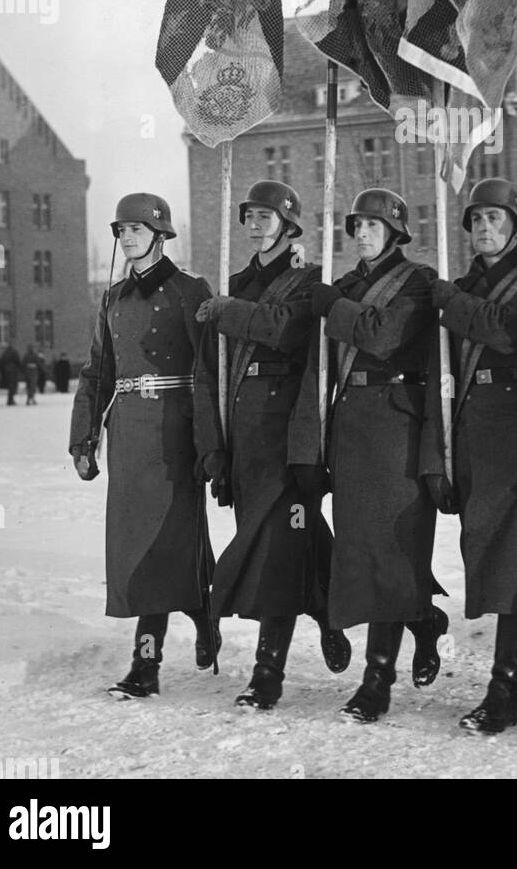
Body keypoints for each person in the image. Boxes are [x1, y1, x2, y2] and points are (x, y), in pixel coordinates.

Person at [420, 178, 517, 735]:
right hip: (476, 433)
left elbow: (505, 332)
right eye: (476, 220)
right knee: (491, 555)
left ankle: (502, 692)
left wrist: (450, 302)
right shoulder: (459, 288)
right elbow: (443, 378)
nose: (485, 228)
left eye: (495, 219)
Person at [291, 188, 446, 724]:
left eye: (373, 226)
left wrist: (331, 305)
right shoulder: (346, 287)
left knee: (393, 550)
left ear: (397, 233)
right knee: (363, 554)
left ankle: (376, 681)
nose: (361, 234)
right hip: (352, 428)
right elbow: (320, 372)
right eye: (356, 225)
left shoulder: (417, 282)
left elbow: (382, 336)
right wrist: (307, 446)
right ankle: (423, 620)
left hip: (399, 427)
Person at [194, 180, 351, 711]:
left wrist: (225, 311)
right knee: (290, 544)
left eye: (266, 216)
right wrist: (215, 448)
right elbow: (211, 374)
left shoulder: (308, 281)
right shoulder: (235, 282)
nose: (256, 224)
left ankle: (267, 675)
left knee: (277, 557)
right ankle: (332, 612)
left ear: (288, 224)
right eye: (250, 216)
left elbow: (283, 330)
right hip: (247, 443)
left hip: (290, 439)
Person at [69, 193, 218, 699]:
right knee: (139, 549)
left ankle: (146, 664)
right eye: (120, 230)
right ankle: (201, 611)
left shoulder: (189, 290)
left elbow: (209, 373)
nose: (127, 237)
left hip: (177, 433)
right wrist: (83, 438)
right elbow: (97, 372)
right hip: (129, 436)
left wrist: (211, 443)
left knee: (168, 542)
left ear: (160, 234)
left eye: (136, 228)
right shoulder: (112, 299)